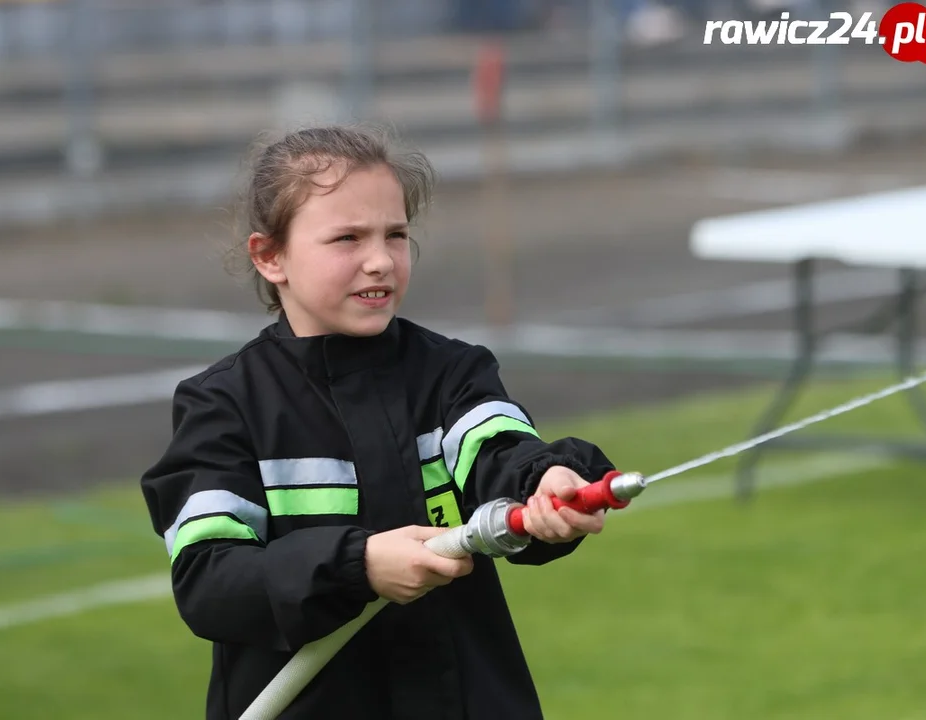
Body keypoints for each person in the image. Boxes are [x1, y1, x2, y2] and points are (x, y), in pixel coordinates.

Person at [139, 124, 619, 720]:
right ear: (270, 256)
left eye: (395, 235)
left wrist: (546, 481)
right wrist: (358, 566)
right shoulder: (224, 405)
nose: (379, 261)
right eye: (346, 238)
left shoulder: (451, 372)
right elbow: (211, 581)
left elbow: (498, 449)